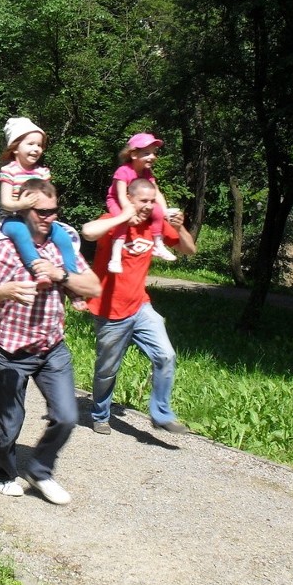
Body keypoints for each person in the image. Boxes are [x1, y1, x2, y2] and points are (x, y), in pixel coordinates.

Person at [0, 179, 101, 505]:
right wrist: (4, 291)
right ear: (25, 210)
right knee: (9, 426)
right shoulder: (4, 247)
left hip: (52, 347)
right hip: (12, 351)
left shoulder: (61, 245)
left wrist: (62, 276)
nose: (47, 217)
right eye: (40, 211)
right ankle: (2, 472)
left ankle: (40, 470)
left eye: (52, 210)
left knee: (68, 416)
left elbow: (95, 287)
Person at [82, 178, 197, 436]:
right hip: (109, 311)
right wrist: (123, 215)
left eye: (152, 201)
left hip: (140, 307)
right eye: (143, 201)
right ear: (129, 199)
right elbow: (88, 232)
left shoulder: (154, 226)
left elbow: (189, 250)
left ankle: (161, 414)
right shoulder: (113, 222)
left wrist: (181, 228)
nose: (148, 206)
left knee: (166, 356)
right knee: (107, 370)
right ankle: (100, 413)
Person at [0, 117, 79, 290]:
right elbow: (5, 203)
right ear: (15, 148)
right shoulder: (9, 171)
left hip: (39, 219)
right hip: (13, 219)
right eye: (30, 144)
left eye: (39, 145)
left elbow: (49, 197)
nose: (36, 149)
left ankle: (72, 277)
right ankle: (39, 271)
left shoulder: (43, 173)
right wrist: (22, 203)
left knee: (64, 236)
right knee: (21, 233)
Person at [105, 133, 177, 272]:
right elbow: (120, 195)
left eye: (153, 153)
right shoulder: (123, 171)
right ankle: (115, 258)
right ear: (134, 155)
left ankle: (158, 244)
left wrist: (165, 211)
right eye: (147, 153)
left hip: (134, 202)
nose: (152, 156)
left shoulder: (147, 173)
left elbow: (156, 193)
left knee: (157, 210)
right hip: (116, 201)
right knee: (123, 221)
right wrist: (129, 214)